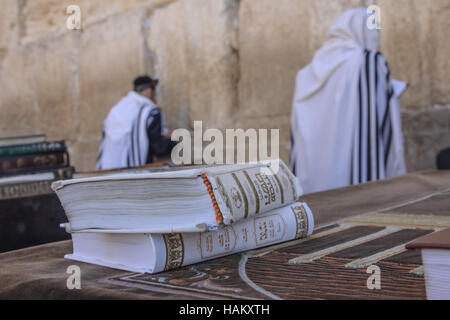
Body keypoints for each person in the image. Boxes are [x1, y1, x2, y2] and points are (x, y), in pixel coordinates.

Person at [290, 7, 407, 194]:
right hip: (356, 182)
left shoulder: (306, 74)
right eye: (372, 31)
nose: (375, 38)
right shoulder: (367, 63)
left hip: (314, 184)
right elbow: (380, 108)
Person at [96, 76, 176, 170]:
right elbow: (158, 148)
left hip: (108, 172)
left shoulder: (116, 110)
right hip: (135, 173)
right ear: (149, 91)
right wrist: (174, 140)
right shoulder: (149, 112)